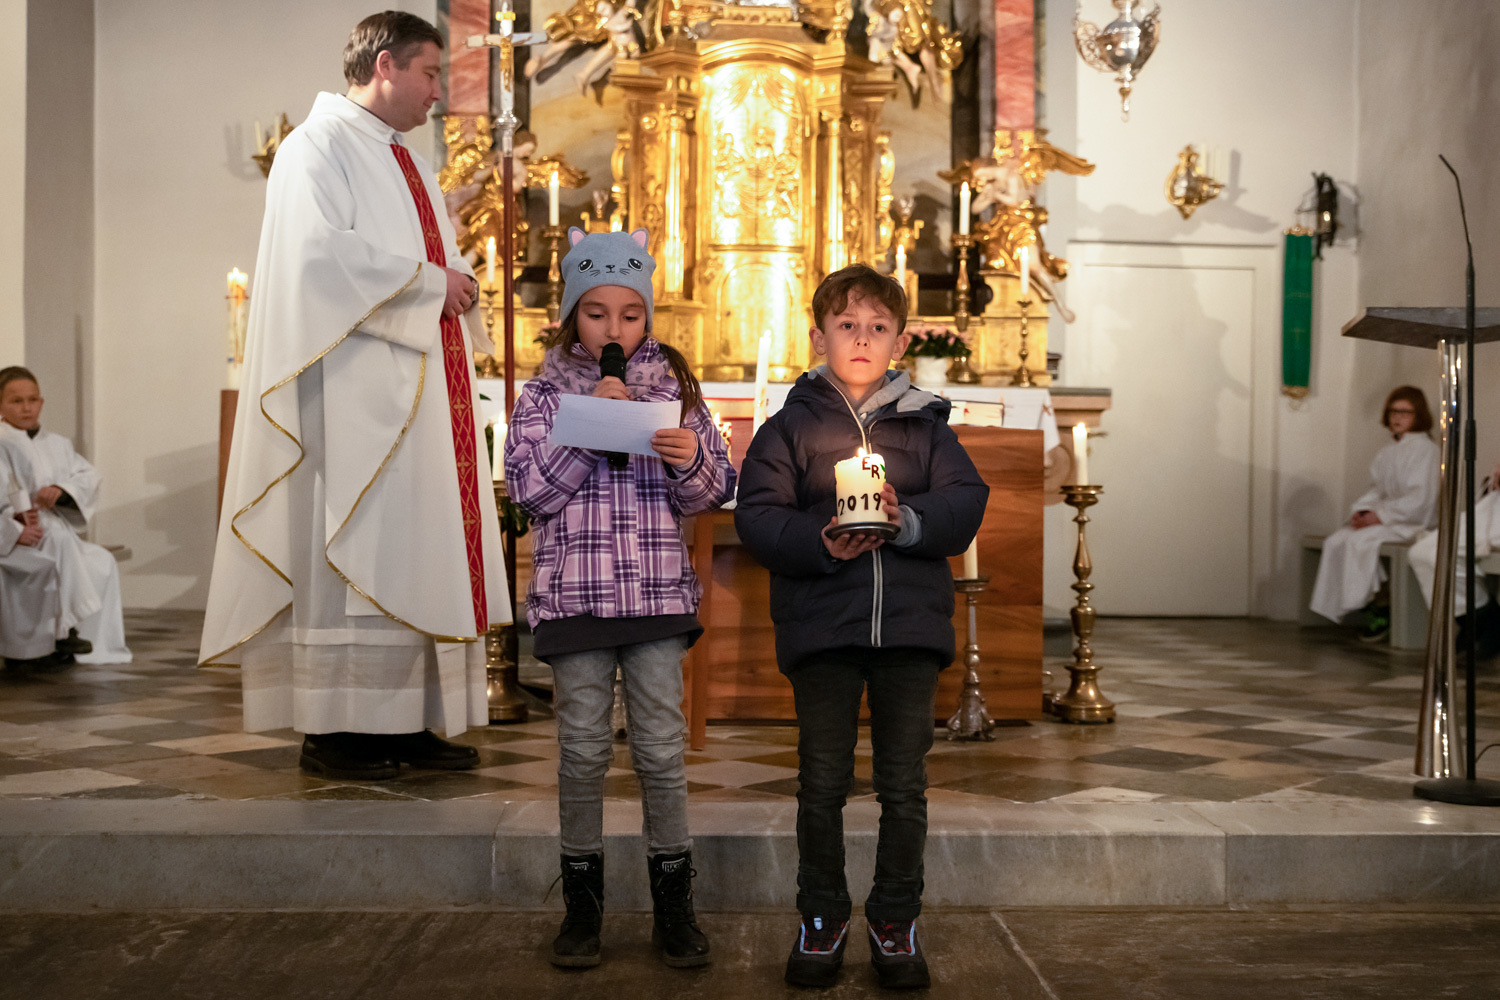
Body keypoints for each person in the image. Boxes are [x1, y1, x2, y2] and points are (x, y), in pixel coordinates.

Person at [199, 12, 510, 781]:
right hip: (353, 401)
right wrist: (435, 284)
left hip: (420, 396)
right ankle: (337, 731)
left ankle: (406, 721)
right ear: (384, 65)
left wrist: (458, 277)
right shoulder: (316, 146)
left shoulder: (406, 158)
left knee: (416, 549)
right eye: (430, 73)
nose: (438, 92)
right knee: (357, 545)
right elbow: (317, 258)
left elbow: (427, 259)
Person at [734, 263, 988, 990]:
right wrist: (819, 540)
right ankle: (821, 915)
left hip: (909, 631)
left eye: (878, 327)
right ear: (819, 337)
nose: (862, 338)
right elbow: (759, 515)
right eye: (847, 325)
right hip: (824, 631)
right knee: (821, 782)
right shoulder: (789, 427)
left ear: (901, 342)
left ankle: (894, 917)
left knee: (903, 785)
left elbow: (965, 499)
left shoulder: (926, 426)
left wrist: (910, 522)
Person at [505, 227, 735, 970]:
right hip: (577, 600)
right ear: (572, 314)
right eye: (597, 313)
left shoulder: (675, 391)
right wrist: (590, 424)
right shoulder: (543, 395)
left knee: (661, 753)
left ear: (648, 317)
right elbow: (530, 492)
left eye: (630, 315)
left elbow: (709, 493)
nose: (614, 329)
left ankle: (674, 908)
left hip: (655, 599)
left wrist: (690, 458)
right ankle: (583, 911)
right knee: (581, 753)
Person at [0, 366, 131, 668]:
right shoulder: (2, 442)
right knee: (57, 541)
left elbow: (87, 477)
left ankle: (84, 638)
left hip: (53, 527)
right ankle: (62, 631)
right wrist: (14, 527)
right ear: (1, 405)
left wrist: (62, 490)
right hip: (18, 534)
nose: (27, 407)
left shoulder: (58, 444)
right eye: (17, 401)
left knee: (102, 561)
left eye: (32, 399)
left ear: (42, 402)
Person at [1309, 386, 1440, 640]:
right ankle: (1352, 606)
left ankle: (1379, 606)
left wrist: (1379, 516)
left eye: (1404, 412)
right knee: (1336, 541)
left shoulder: (1427, 451)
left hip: (1413, 523)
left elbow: (1421, 499)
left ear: (1419, 414)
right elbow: (1377, 490)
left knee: (1359, 542)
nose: (1397, 417)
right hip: (1390, 518)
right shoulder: (1388, 452)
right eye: (1393, 411)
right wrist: (1362, 511)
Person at [1407, 459, 1500, 659]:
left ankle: (1484, 619)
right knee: (1419, 552)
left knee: (1439, 556)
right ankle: (1471, 618)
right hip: (1490, 508)